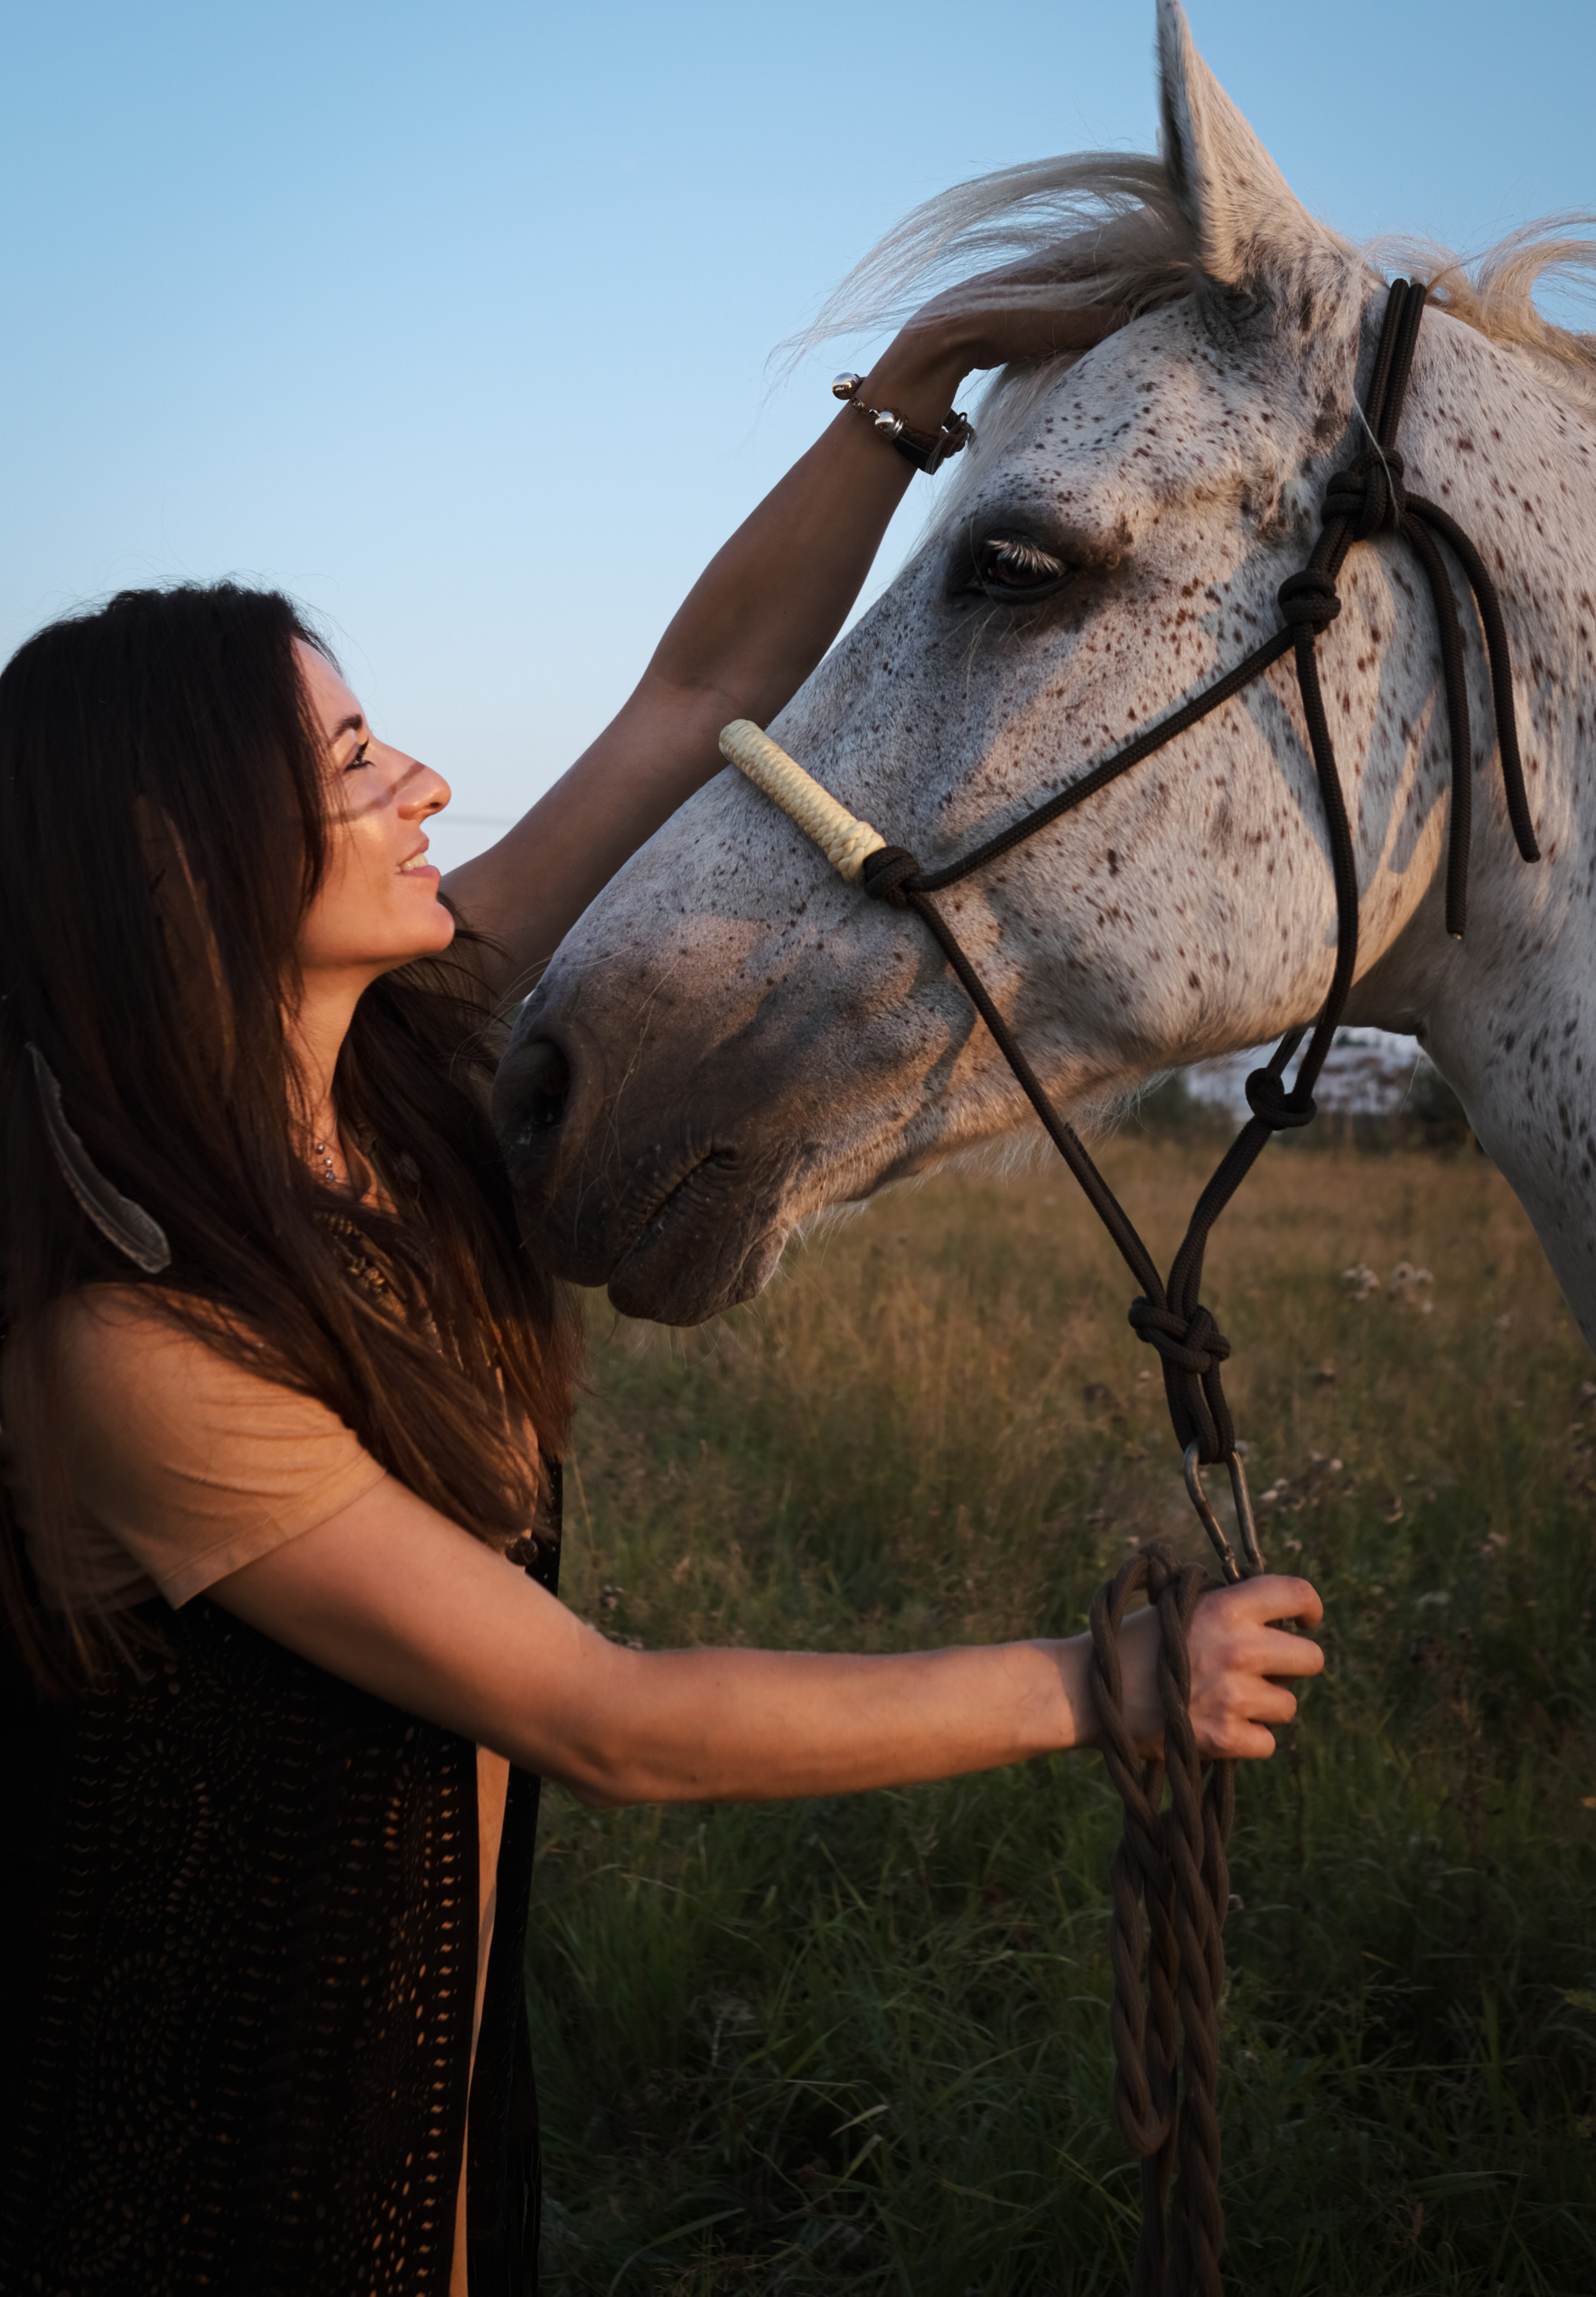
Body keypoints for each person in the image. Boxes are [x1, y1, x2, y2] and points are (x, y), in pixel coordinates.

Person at [0, 279, 1325, 2297]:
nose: (424, 780)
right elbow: (606, 1721)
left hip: (425, 2066)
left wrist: (909, 391)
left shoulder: (409, 1079)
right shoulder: (138, 1347)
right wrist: (1109, 1686)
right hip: (198, 2151)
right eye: (352, 760)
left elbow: (686, 694)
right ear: (180, 861)